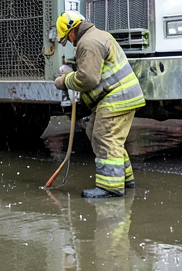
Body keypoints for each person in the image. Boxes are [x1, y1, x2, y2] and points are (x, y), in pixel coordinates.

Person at [54, 10, 145, 199]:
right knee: (97, 132)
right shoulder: (98, 36)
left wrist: (65, 80)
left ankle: (110, 187)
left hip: (117, 97)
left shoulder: (87, 43)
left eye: (67, 39)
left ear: (72, 31)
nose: (71, 43)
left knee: (104, 136)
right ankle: (125, 179)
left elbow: (88, 79)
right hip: (123, 95)